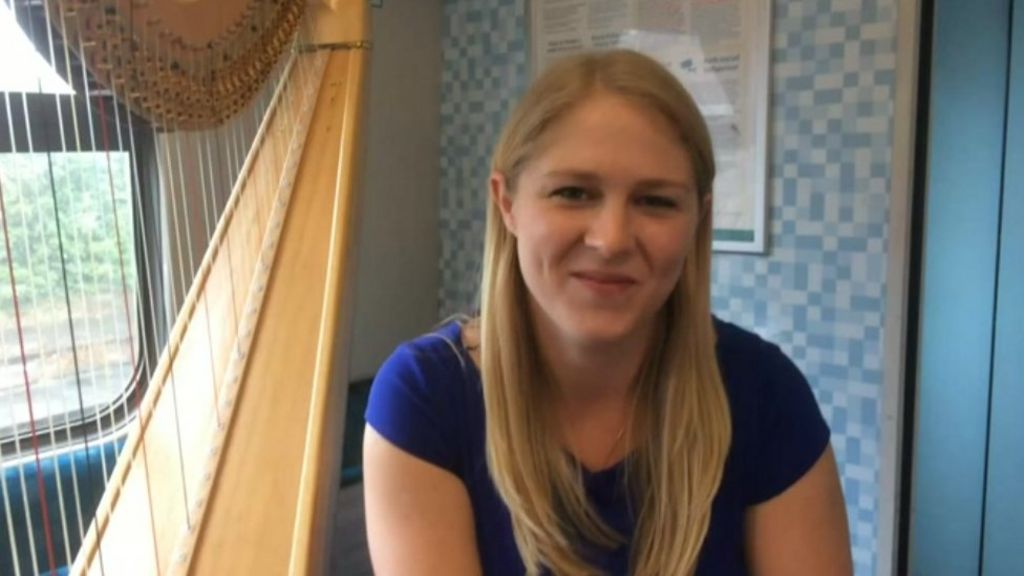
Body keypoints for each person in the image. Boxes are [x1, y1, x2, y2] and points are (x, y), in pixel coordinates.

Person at [363, 49, 852, 575]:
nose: (612, 239)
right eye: (573, 193)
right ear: (507, 204)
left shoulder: (765, 393)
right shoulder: (424, 397)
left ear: (698, 219)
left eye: (656, 201)